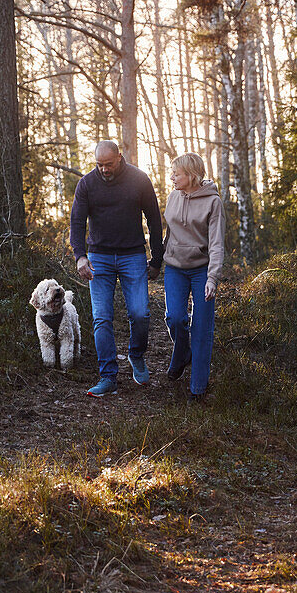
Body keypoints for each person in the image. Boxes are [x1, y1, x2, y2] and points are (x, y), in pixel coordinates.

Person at [70, 140, 163, 397]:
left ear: (119, 158)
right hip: (98, 257)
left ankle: (136, 355)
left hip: (132, 255)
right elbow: (76, 222)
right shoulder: (87, 184)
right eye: (99, 165)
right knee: (102, 317)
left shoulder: (139, 180)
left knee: (140, 313)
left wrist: (156, 260)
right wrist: (80, 257)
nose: (103, 170)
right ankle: (108, 376)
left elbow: (154, 220)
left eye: (108, 164)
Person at [163, 153, 225, 403]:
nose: (172, 177)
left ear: (191, 175)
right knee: (175, 318)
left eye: (176, 174)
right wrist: (157, 261)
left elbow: (217, 243)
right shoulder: (172, 196)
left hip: (202, 269)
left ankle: (197, 388)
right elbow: (169, 233)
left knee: (202, 328)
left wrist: (213, 278)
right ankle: (182, 353)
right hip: (175, 268)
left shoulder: (213, 202)